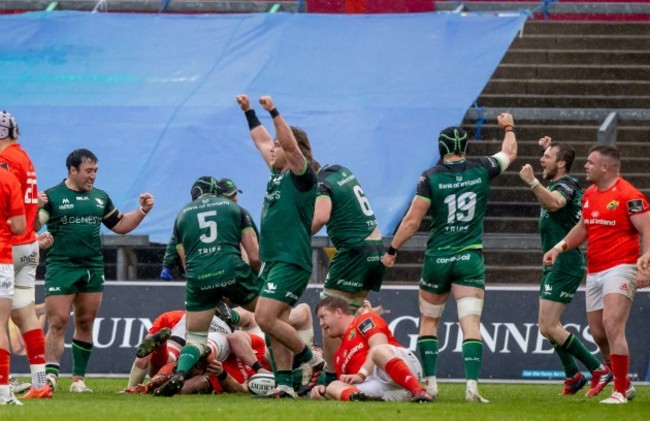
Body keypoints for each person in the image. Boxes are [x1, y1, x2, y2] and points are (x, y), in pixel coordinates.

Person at [383, 115, 517, 403]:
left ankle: (430, 385)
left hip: (438, 260)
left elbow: (411, 221)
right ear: (465, 146)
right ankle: (471, 387)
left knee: (429, 323)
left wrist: (392, 249)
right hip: (469, 257)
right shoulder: (482, 168)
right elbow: (510, 153)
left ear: (441, 148)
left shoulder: (431, 177)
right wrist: (508, 127)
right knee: (470, 324)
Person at [36, 148, 155, 393]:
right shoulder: (53, 196)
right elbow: (35, 223)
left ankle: (78, 380)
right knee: (57, 322)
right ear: (72, 170)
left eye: (96, 171)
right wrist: (34, 208)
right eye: (88, 171)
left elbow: (120, 225)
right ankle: (50, 377)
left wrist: (142, 211)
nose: (93, 176)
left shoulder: (100, 197)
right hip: (62, 266)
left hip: (92, 267)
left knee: (85, 322)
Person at [543, 144, 650, 404]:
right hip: (595, 270)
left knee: (613, 325)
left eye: (590, 162)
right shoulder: (589, 194)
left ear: (605, 166)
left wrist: (645, 257)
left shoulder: (629, 195)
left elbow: (647, 229)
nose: (585, 166)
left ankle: (620, 392)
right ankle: (624, 382)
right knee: (599, 333)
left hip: (621, 267)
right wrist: (559, 247)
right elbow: (583, 228)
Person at [236, 94, 324, 398]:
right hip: (274, 261)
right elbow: (261, 141)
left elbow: (285, 143)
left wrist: (273, 111)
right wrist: (249, 112)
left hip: (291, 260)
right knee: (276, 324)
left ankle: (310, 358)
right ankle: (285, 383)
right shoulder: (276, 173)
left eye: (277, 145)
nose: (271, 148)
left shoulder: (302, 177)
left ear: (290, 150)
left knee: (264, 318)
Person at [520, 136, 612, 396]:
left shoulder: (567, 185)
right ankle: (573, 375)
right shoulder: (559, 181)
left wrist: (532, 181)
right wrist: (545, 150)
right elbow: (551, 183)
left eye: (547, 157)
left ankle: (598, 369)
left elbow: (555, 202)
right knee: (547, 326)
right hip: (555, 260)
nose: (541, 160)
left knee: (549, 327)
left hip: (565, 261)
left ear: (561, 163)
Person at [154, 176, 261, 397]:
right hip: (233, 272)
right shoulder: (235, 209)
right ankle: (293, 372)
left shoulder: (183, 214)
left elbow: (184, 262)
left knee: (195, 337)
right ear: (217, 192)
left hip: (200, 279)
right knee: (270, 315)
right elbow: (255, 256)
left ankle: (180, 372)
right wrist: (252, 278)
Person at [311, 163, 385, 386]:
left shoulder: (319, 183)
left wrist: (295, 236)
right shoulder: (340, 171)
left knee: (329, 311)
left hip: (354, 250)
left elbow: (321, 216)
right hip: (375, 248)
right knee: (352, 313)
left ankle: (331, 376)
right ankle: (373, 367)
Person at [0, 110, 52, 398]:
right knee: (25, 314)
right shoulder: (24, 157)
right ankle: (40, 382)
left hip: (8, 243)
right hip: (29, 243)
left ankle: (3, 386)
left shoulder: (5, 161)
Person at [310, 296, 431, 402]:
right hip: (378, 383)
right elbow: (346, 383)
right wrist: (324, 391)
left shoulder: (363, 319)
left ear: (338, 312)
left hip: (402, 365)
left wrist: (361, 374)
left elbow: (379, 343)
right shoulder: (338, 356)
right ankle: (359, 398)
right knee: (334, 385)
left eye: (323, 317)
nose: (321, 323)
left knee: (379, 351)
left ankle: (419, 391)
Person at [0, 167, 26, 405]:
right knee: (0, 326)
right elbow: (19, 226)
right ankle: (3, 392)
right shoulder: (7, 178)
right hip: (1, 259)